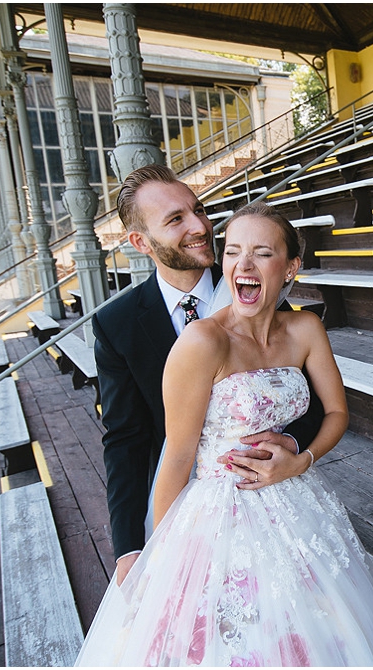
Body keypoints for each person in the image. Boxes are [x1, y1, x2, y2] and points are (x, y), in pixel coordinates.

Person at [76, 202, 373, 666]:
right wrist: (157, 556)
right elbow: (176, 456)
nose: (244, 265)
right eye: (233, 252)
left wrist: (302, 458)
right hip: (218, 510)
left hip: (297, 497)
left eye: (261, 253)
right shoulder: (201, 342)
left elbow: (336, 412)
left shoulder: (305, 328)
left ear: (291, 266)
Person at [93, 165, 323, 586]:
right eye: (176, 219)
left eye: (198, 209)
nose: (200, 226)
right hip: (179, 505)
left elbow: (307, 397)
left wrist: (288, 446)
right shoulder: (117, 324)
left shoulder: (253, 284)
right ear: (140, 242)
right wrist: (130, 546)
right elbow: (124, 439)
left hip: (265, 496)